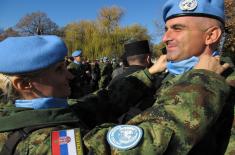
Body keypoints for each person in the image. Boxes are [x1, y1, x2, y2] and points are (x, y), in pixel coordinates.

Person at [82, 0, 235, 154]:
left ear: (211, 35)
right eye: (166, 29)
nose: (165, 38)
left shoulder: (228, 82)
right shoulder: (163, 75)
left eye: (177, 28)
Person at [0, 35, 169, 154]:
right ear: (24, 84)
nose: (70, 76)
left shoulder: (34, 113)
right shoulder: (44, 143)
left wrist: (150, 71)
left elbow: (105, 100)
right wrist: (196, 74)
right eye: (59, 70)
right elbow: (147, 143)